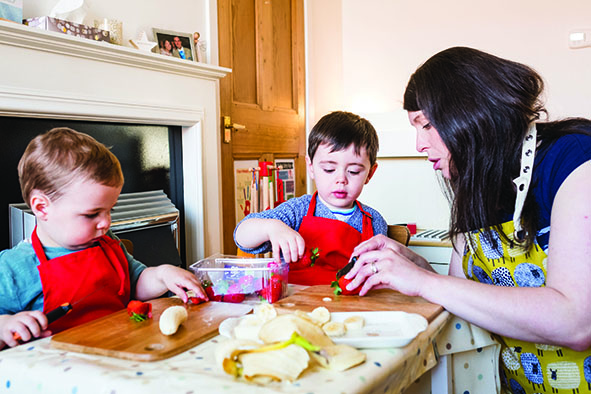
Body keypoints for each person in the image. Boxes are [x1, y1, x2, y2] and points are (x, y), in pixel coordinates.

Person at [345, 47, 591, 393]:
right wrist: (413, 266)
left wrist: (422, 282)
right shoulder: (475, 181)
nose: (419, 144)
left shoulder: (574, 159)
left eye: (427, 125)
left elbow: (576, 322)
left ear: (472, 113)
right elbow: (464, 296)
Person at [0, 128, 206, 349]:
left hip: (122, 352)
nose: (105, 222)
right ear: (42, 207)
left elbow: (135, 282)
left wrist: (163, 274)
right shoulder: (13, 268)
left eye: (110, 211)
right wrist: (5, 324)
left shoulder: (106, 241)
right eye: (92, 214)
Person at [234, 111, 388, 285]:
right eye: (329, 169)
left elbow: (380, 276)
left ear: (370, 173)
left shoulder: (373, 221)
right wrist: (272, 227)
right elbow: (241, 236)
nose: (341, 179)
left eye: (353, 171)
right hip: (296, 306)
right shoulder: (296, 210)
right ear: (311, 167)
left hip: (350, 308)